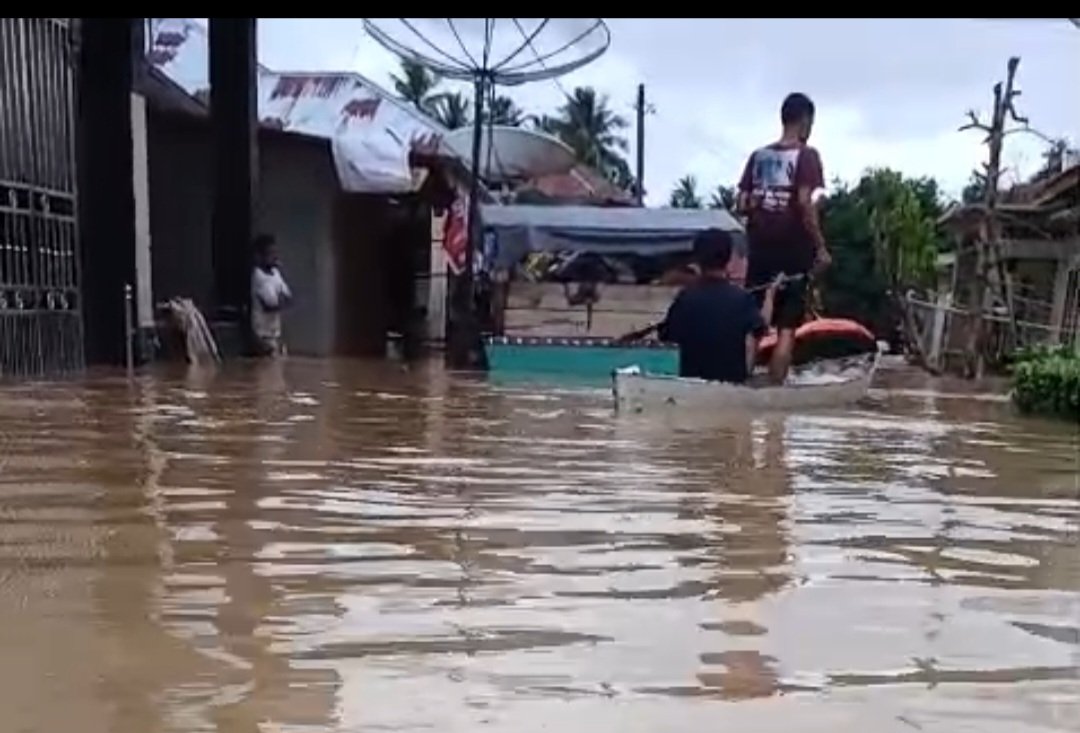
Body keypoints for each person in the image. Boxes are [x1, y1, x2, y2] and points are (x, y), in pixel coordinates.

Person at [737, 92, 830, 384]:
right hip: (793, 248)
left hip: (760, 246)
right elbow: (804, 202)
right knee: (787, 328)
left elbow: (741, 202)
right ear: (806, 121)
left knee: (752, 325)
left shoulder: (758, 156)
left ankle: (738, 384)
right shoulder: (807, 155)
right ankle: (775, 394)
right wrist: (820, 247)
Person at [658, 228, 780, 384]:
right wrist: (770, 295)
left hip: (691, 388)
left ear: (697, 260)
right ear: (729, 258)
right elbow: (760, 331)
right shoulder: (742, 299)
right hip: (731, 388)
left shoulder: (685, 299)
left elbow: (667, 337)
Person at [250, 233, 292, 357]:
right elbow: (269, 306)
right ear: (259, 256)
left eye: (275, 253)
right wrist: (281, 301)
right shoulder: (258, 276)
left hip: (275, 333)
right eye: (270, 254)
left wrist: (280, 302)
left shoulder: (276, 273)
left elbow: (288, 298)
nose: (274, 257)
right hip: (262, 335)